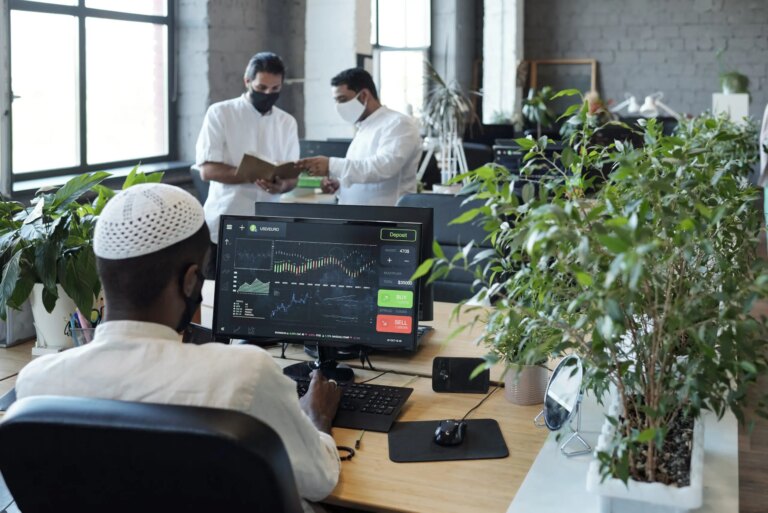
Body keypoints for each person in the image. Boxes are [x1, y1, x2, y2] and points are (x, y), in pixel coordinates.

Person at [15, 184, 341, 510]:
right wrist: (317, 419)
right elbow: (319, 480)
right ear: (190, 280)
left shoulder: (37, 385)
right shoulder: (245, 374)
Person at [196, 52, 299, 278]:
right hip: (225, 222)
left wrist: (281, 186)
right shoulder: (220, 113)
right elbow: (207, 170)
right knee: (216, 296)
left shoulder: (287, 122)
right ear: (247, 81)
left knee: (261, 298)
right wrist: (252, 174)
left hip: (269, 225)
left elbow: (292, 176)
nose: (268, 94)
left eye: (275, 89)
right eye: (261, 88)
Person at [297, 68, 422, 206]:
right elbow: (362, 174)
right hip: (358, 218)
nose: (338, 107)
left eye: (343, 99)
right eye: (336, 101)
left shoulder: (398, 123)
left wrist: (331, 165)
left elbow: (384, 167)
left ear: (363, 96)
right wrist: (339, 185)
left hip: (387, 220)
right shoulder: (364, 127)